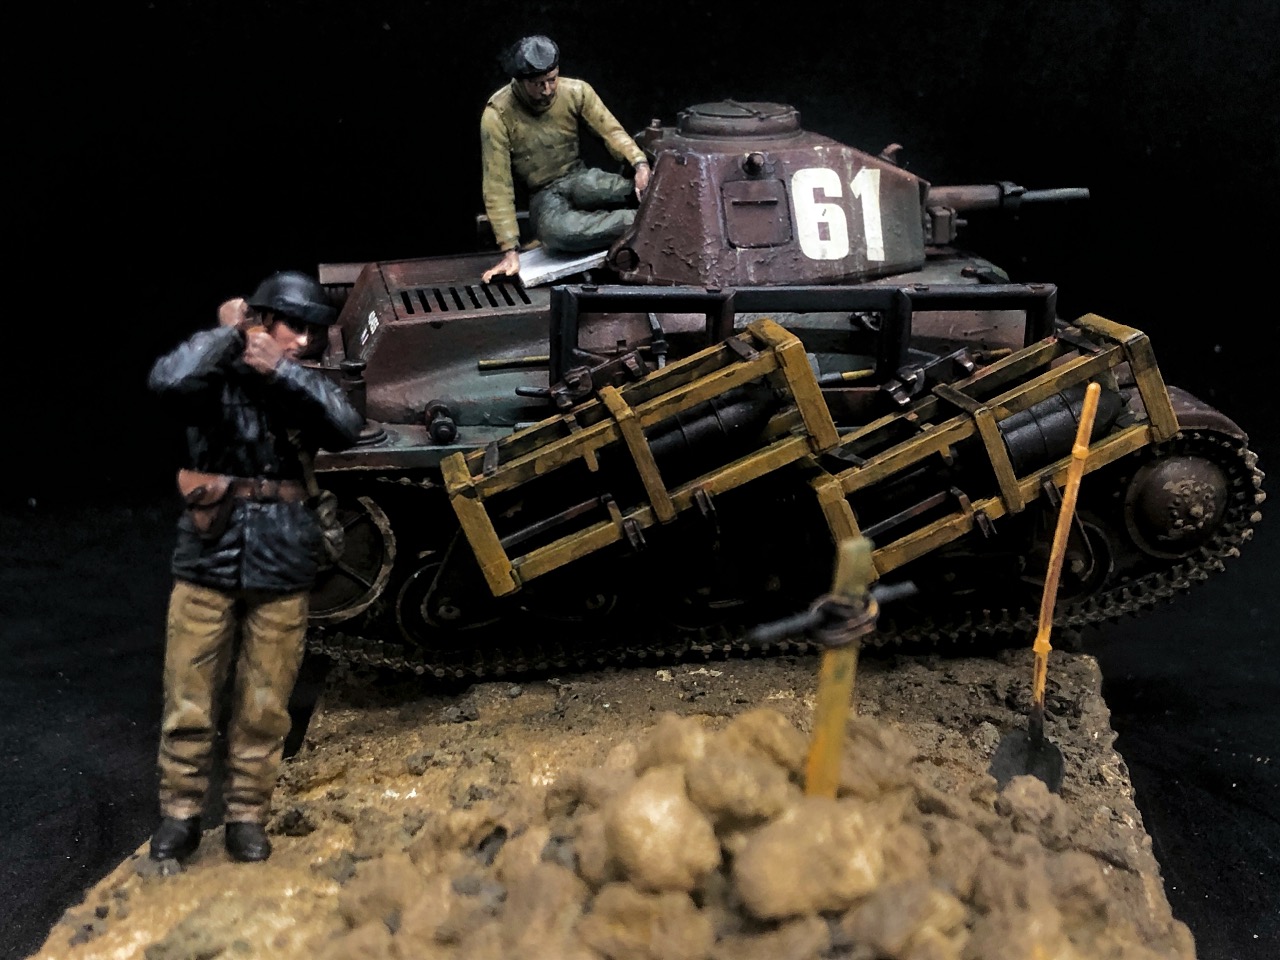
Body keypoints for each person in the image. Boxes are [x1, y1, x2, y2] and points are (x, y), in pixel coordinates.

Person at [146, 270, 363, 863]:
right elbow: (168, 381)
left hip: (283, 550)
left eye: (313, 332)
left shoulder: (301, 381)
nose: (304, 340)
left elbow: (346, 428)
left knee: (265, 704)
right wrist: (228, 335)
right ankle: (180, 813)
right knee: (188, 695)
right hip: (208, 551)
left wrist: (282, 372)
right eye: (293, 326)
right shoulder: (212, 372)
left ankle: (246, 812)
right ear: (264, 320)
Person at [480, 35, 652, 283]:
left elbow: (611, 131)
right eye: (538, 84)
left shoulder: (576, 92)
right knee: (558, 233)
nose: (547, 90)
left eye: (552, 80)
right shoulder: (498, 115)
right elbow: (497, 185)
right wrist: (509, 249)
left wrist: (639, 164)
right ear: (520, 80)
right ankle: (641, 222)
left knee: (625, 190)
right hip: (544, 194)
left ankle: (652, 210)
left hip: (578, 177)